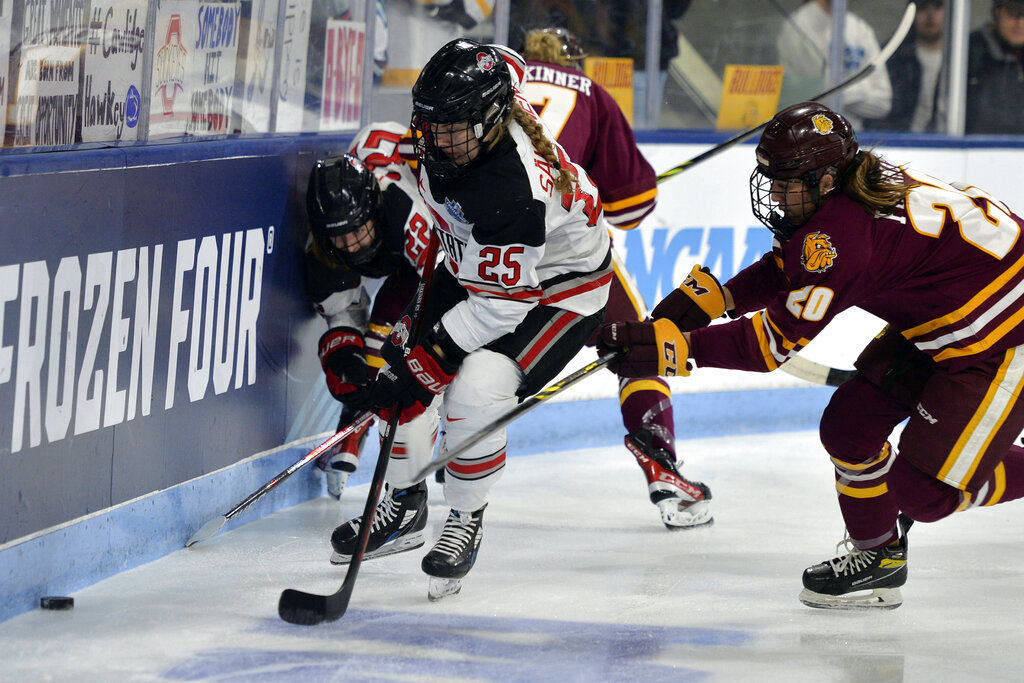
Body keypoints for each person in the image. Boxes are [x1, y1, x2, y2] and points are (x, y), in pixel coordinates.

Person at [599, 101, 1024, 610]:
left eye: (786, 183)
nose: (775, 195)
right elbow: (791, 263)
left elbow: (768, 347)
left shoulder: (844, 236)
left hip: (1003, 339)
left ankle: (946, 479)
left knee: (921, 494)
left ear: (825, 180)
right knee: (849, 427)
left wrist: (676, 350)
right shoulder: (852, 189)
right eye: (771, 180)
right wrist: (715, 301)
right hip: (947, 324)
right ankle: (879, 558)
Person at [331, 38, 613, 601]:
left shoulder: (512, 190)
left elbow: (503, 307)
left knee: (478, 385)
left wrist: (434, 358)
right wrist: (416, 358)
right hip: (478, 266)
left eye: (450, 127)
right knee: (400, 362)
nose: (434, 138)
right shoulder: (465, 129)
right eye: (428, 123)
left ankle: (465, 516)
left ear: (488, 122)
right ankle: (406, 501)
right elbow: (508, 60)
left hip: (559, 292)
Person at [519, 27, 711, 529]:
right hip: (565, 248)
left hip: (488, 245)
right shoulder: (591, 92)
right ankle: (660, 462)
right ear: (572, 58)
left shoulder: (501, 82)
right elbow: (630, 208)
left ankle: (431, 458)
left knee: (457, 341)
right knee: (637, 345)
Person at [305, 125, 433, 501]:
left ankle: (431, 437)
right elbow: (342, 313)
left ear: (374, 209)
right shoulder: (324, 247)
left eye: (358, 231)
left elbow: (446, 293)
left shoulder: (410, 217)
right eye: (339, 238)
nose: (350, 245)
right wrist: (349, 362)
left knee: (398, 340)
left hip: (439, 250)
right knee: (362, 361)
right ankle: (354, 423)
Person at [776, 0, 892, 130]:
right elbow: (820, 94)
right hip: (811, 136)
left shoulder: (860, 28)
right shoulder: (798, 26)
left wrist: (840, 92)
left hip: (855, 137)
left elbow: (883, 103)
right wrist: (863, 89)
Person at [865, 0, 946, 133]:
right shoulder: (891, 57)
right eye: (922, 8)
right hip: (900, 143)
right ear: (911, 14)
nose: (930, 15)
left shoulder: (963, 59)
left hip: (944, 144)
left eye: (937, 7)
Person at [966, 0, 1024, 134]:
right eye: (1013, 12)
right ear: (996, 12)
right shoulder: (969, 53)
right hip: (976, 150)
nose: (1019, 22)